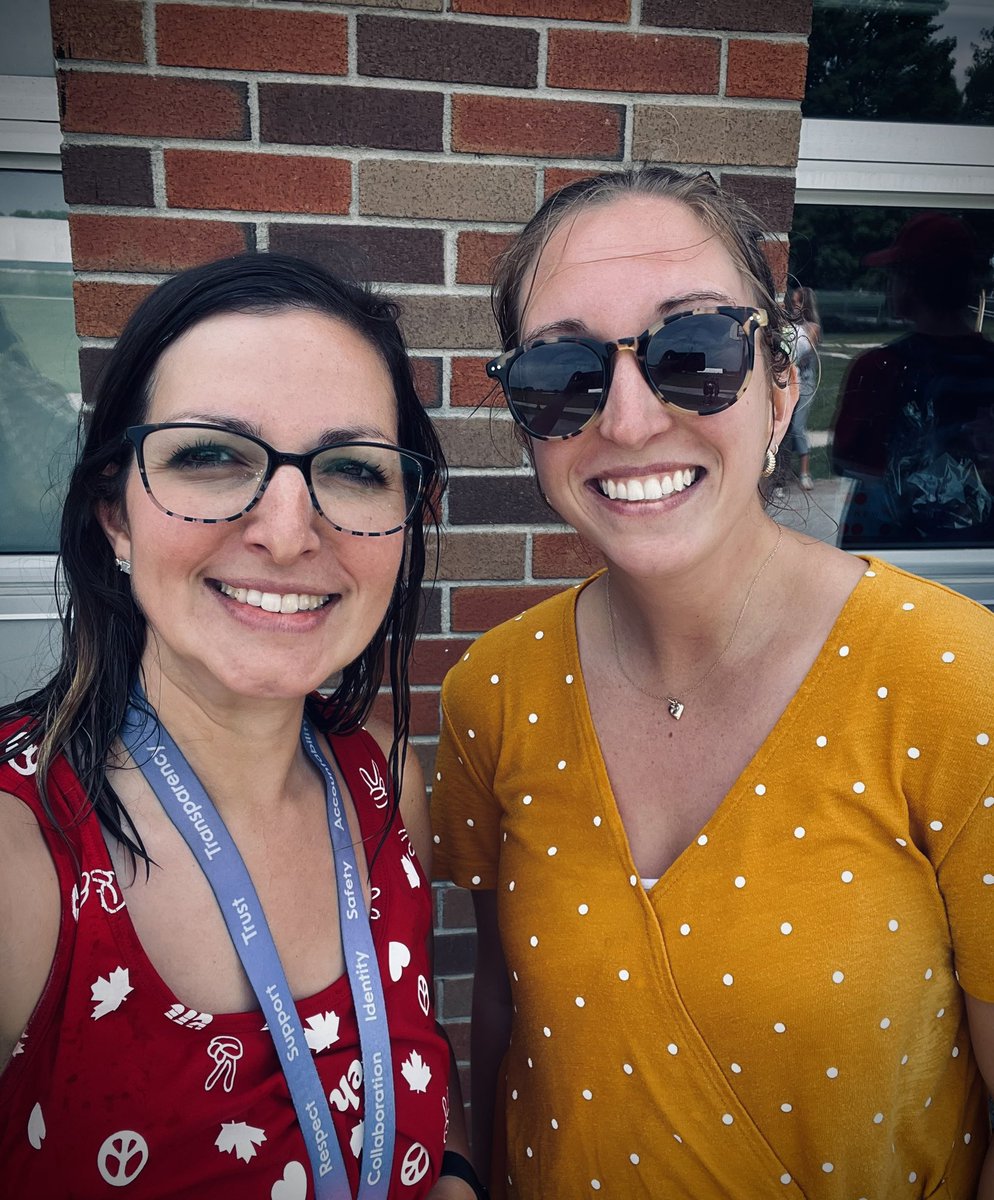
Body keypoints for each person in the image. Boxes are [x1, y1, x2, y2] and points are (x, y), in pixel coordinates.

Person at [430, 169, 994, 1197]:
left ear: (783, 384)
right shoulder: (492, 692)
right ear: (528, 426)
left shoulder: (958, 684)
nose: (633, 420)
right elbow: (510, 1013)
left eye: (693, 352)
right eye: (563, 372)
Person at [0, 253, 487, 1199]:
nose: (288, 530)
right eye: (212, 455)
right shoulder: (22, 852)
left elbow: (409, 1056)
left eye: (353, 470)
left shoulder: (386, 782)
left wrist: (457, 1175)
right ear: (115, 512)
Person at [832, 212, 994, 547]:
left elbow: (847, 459)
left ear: (912, 283)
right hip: (977, 550)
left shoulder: (880, 368)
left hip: (892, 550)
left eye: (893, 276)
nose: (889, 287)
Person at [785, 285, 821, 491]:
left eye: (798, 302)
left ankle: (805, 473)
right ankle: (783, 475)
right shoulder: (789, 325)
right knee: (786, 428)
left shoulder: (812, 328)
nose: (793, 306)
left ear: (805, 305)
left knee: (798, 427)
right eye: (793, 302)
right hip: (790, 381)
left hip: (805, 382)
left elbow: (800, 350)